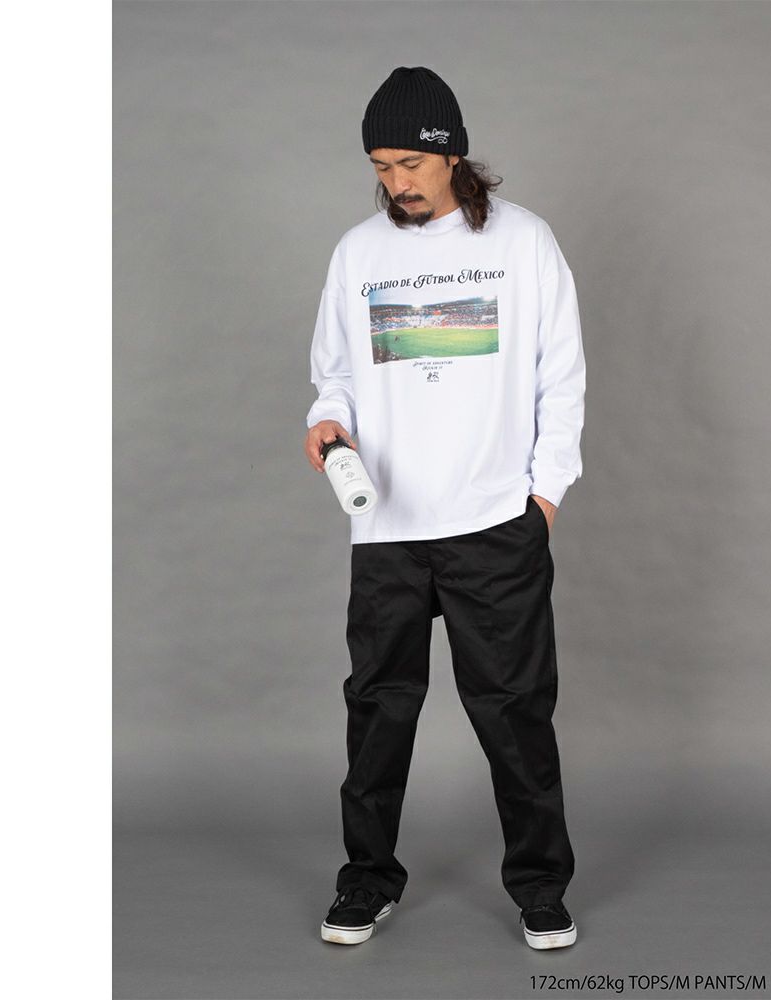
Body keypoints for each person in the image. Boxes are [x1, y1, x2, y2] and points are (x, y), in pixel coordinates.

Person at [303, 66, 586, 950]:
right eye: (380, 168)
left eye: (410, 164)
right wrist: (327, 422)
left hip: (494, 523)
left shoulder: (524, 242)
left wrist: (542, 497)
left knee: (515, 716)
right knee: (376, 715)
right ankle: (366, 881)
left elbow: (561, 377)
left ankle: (541, 888)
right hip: (387, 527)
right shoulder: (358, 254)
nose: (396, 183)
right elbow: (334, 374)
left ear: (452, 154)